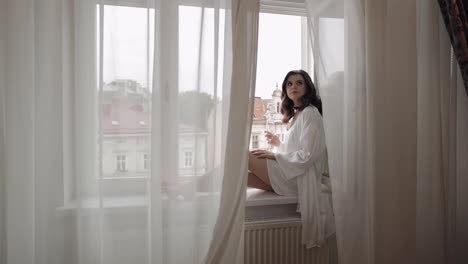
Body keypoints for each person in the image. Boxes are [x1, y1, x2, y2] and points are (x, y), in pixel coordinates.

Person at [247, 69, 333, 247]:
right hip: (291, 175)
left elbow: (306, 156)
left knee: (244, 156)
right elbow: (293, 150)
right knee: (241, 178)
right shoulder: (295, 117)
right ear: (286, 90)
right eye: (289, 83)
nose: (294, 86)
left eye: (299, 82)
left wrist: (274, 154)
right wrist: (278, 143)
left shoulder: (311, 113)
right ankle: (186, 190)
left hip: (299, 179)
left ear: (308, 87)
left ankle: (185, 189)